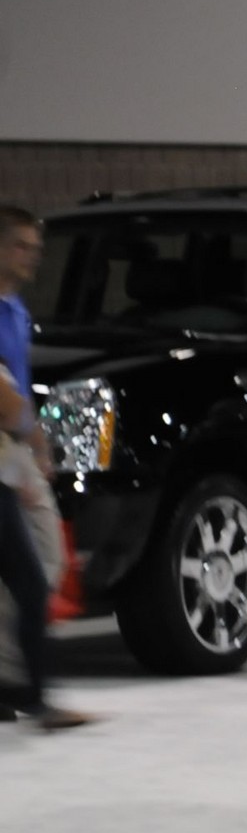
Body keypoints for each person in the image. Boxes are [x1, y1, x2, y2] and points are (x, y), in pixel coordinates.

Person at [0, 204, 94, 731]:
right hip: (5, 454)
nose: (33, 256)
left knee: (35, 569)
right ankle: (34, 695)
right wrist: (31, 445)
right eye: (21, 246)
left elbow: (16, 387)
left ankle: (21, 687)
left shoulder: (16, 312)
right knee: (29, 578)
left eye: (36, 247)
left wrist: (31, 452)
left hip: (8, 455)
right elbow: (5, 400)